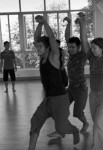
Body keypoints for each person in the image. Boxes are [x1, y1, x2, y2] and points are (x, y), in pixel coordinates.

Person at [28, 15, 79, 150]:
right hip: (48, 99)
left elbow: (51, 38)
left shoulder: (54, 56)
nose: (37, 48)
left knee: (61, 127)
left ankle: (74, 130)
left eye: (40, 46)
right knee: (35, 121)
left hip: (60, 99)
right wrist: (39, 25)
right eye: (36, 46)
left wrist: (45, 23)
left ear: (48, 48)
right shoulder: (42, 56)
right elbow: (37, 38)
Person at [79, 8, 103, 150]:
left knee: (98, 124)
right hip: (94, 94)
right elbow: (83, 40)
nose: (92, 50)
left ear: (102, 48)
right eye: (92, 48)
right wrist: (83, 24)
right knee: (97, 121)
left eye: (95, 48)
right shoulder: (92, 58)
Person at [48, 13, 89, 139]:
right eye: (69, 47)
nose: (70, 49)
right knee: (61, 108)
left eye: (72, 47)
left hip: (81, 89)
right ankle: (61, 131)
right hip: (71, 88)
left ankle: (86, 123)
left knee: (77, 114)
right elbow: (67, 37)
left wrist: (82, 24)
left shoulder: (82, 56)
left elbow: (83, 39)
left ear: (78, 47)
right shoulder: (71, 54)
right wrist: (69, 24)